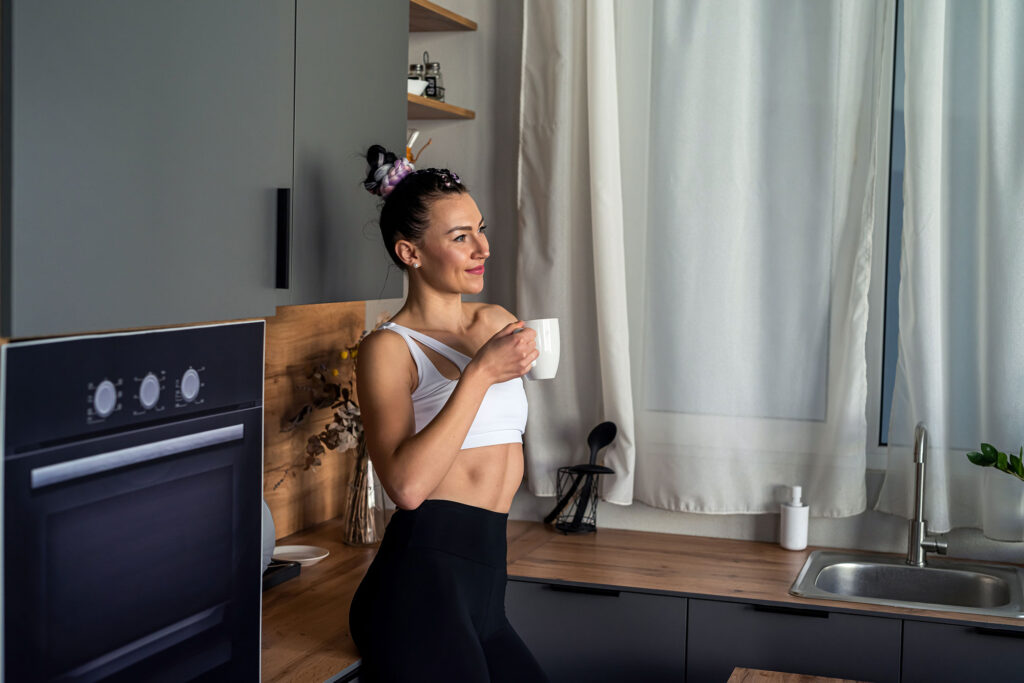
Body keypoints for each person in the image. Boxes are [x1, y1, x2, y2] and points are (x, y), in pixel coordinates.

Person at [348, 144, 550, 682]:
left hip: (486, 582)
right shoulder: (387, 349)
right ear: (410, 253)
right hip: (420, 583)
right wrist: (481, 373)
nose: (482, 247)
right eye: (460, 237)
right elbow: (408, 488)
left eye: (479, 229)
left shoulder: (496, 321)